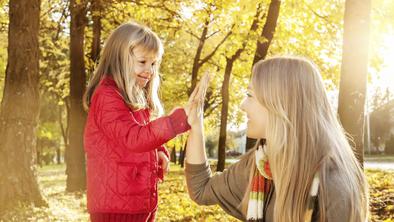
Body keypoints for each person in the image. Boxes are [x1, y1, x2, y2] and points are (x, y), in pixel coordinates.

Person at [184, 56, 369, 222]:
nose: (242, 106)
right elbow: (202, 189)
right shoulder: (262, 164)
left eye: (250, 95)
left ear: (280, 104)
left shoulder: (333, 185)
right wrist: (196, 125)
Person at [83, 21, 202, 222]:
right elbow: (133, 137)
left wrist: (158, 151)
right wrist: (174, 122)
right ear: (119, 59)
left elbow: (143, 134)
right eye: (142, 62)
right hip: (115, 209)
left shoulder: (134, 97)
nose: (150, 70)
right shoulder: (107, 97)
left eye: (154, 63)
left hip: (138, 203)